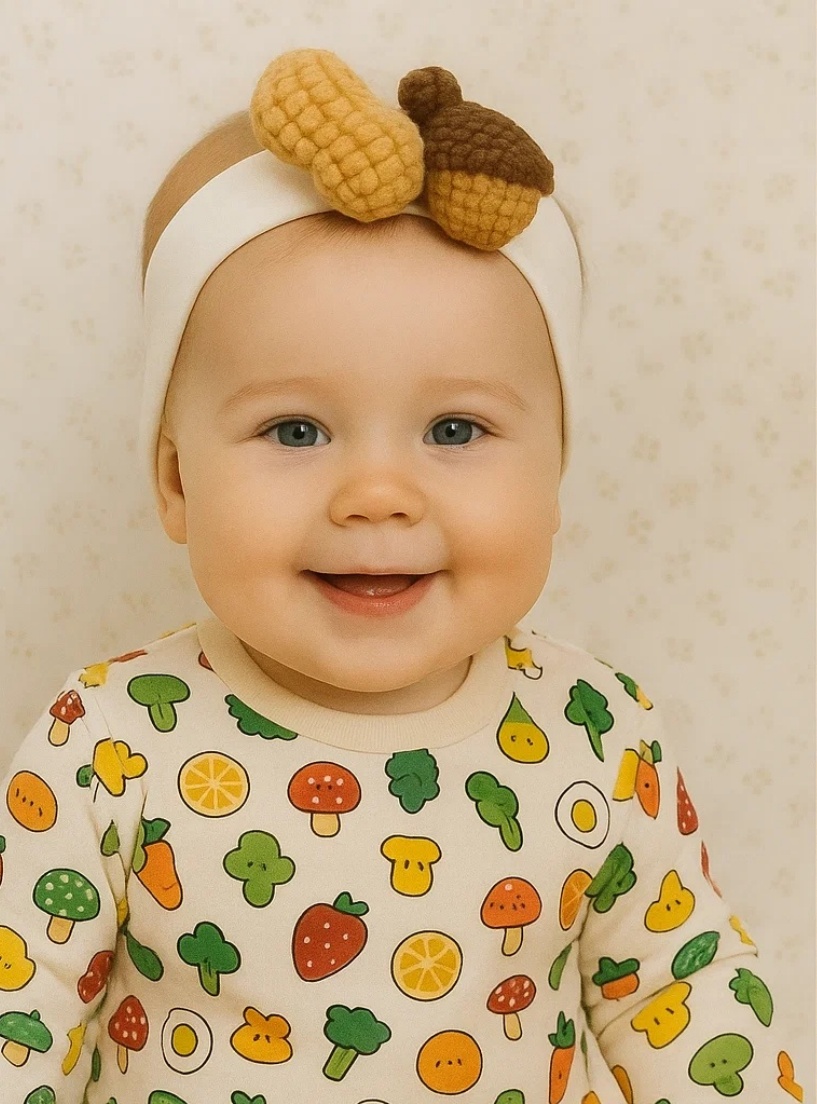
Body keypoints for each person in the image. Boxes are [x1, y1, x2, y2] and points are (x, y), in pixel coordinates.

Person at [0, 48, 805, 1104]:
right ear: (177, 483)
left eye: (455, 428)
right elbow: (20, 1017)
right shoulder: (110, 740)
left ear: (554, 479)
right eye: (295, 429)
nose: (377, 493)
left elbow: (680, 994)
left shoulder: (596, 734)